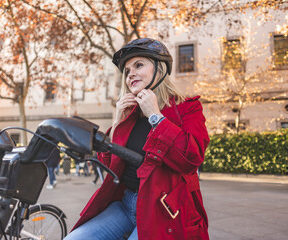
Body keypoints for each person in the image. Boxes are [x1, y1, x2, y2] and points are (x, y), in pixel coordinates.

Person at [64, 38, 210, 240]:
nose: (130, 73)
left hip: (162, 210)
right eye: (127, 70)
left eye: (138, 65)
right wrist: (117, 122)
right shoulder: (130, 114)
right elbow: (107, 163)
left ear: (159, 69)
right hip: (125, 204)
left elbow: (192, 158)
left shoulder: (188, 108)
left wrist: (155, 116)